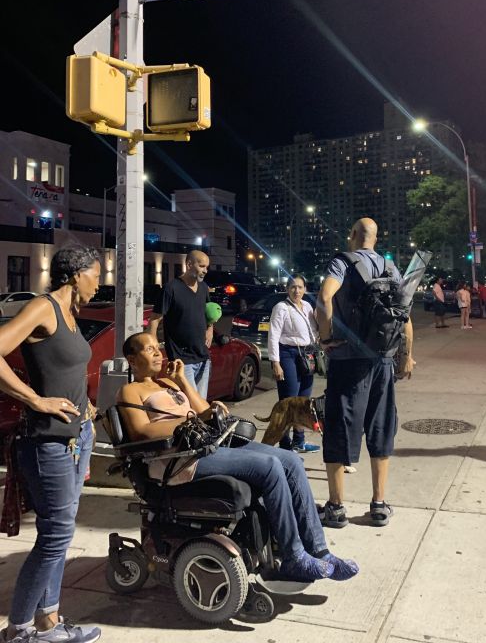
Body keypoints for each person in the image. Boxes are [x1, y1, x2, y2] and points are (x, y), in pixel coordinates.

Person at [117, 331, 359, 583]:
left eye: (158, 347)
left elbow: (203, 411)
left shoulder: (169, 383)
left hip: (206, 445)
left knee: (291, 461)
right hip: (178, 460)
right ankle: (294, 556)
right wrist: (188, 423)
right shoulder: (130, 391)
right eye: (149, 349)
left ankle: (319, 550)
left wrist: (183, 382)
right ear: (132, 360)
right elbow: (141, 431)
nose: (158, 352)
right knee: (269, 467)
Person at [0, 246, 102, 643]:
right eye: (95, 274)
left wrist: (85, 403)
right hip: (48, 443)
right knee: (56, 535)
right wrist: (35, 399)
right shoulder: (43, 308)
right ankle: (20, 628)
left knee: (60, 532)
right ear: (75, 275)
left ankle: (48, 621)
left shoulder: (71, 315)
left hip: (76, 440)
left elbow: (63, 368)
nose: (99, 282)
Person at [316, 218, 400, 529]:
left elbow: (324, 298)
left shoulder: (342, 262)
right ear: (376, 238)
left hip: (348, 359)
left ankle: (337, 507)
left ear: (352, 235)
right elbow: (403, 314)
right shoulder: (390, 268)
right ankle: (379, 505)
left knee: (339, 427)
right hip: (383, 361)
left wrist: (325, 338)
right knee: (381, 427)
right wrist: (406, 356)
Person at [147, 250, 213, 399]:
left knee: (201, 404)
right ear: (189, 264)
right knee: (190, 405)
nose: (205, 271)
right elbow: (154, 320)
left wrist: (210, 329)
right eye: (202, 266)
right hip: (181, 361)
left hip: (203, 358)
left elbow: (209, 313)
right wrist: (152, 349)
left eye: (207, 267)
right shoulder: (171, 288)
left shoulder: (203, 288)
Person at [267, 275, 320, 453]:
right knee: (288, 402)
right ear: (287, 289)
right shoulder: (281, 307)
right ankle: (284, 446)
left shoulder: (307, 306)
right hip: (288, 354)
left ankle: (299, 442)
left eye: (300, 287)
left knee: (304, 403)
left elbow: (314, 329)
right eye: (293, 287)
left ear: (305, 289)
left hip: (307, 355)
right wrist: (276, 362)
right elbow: (273, 335)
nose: (296, 291)